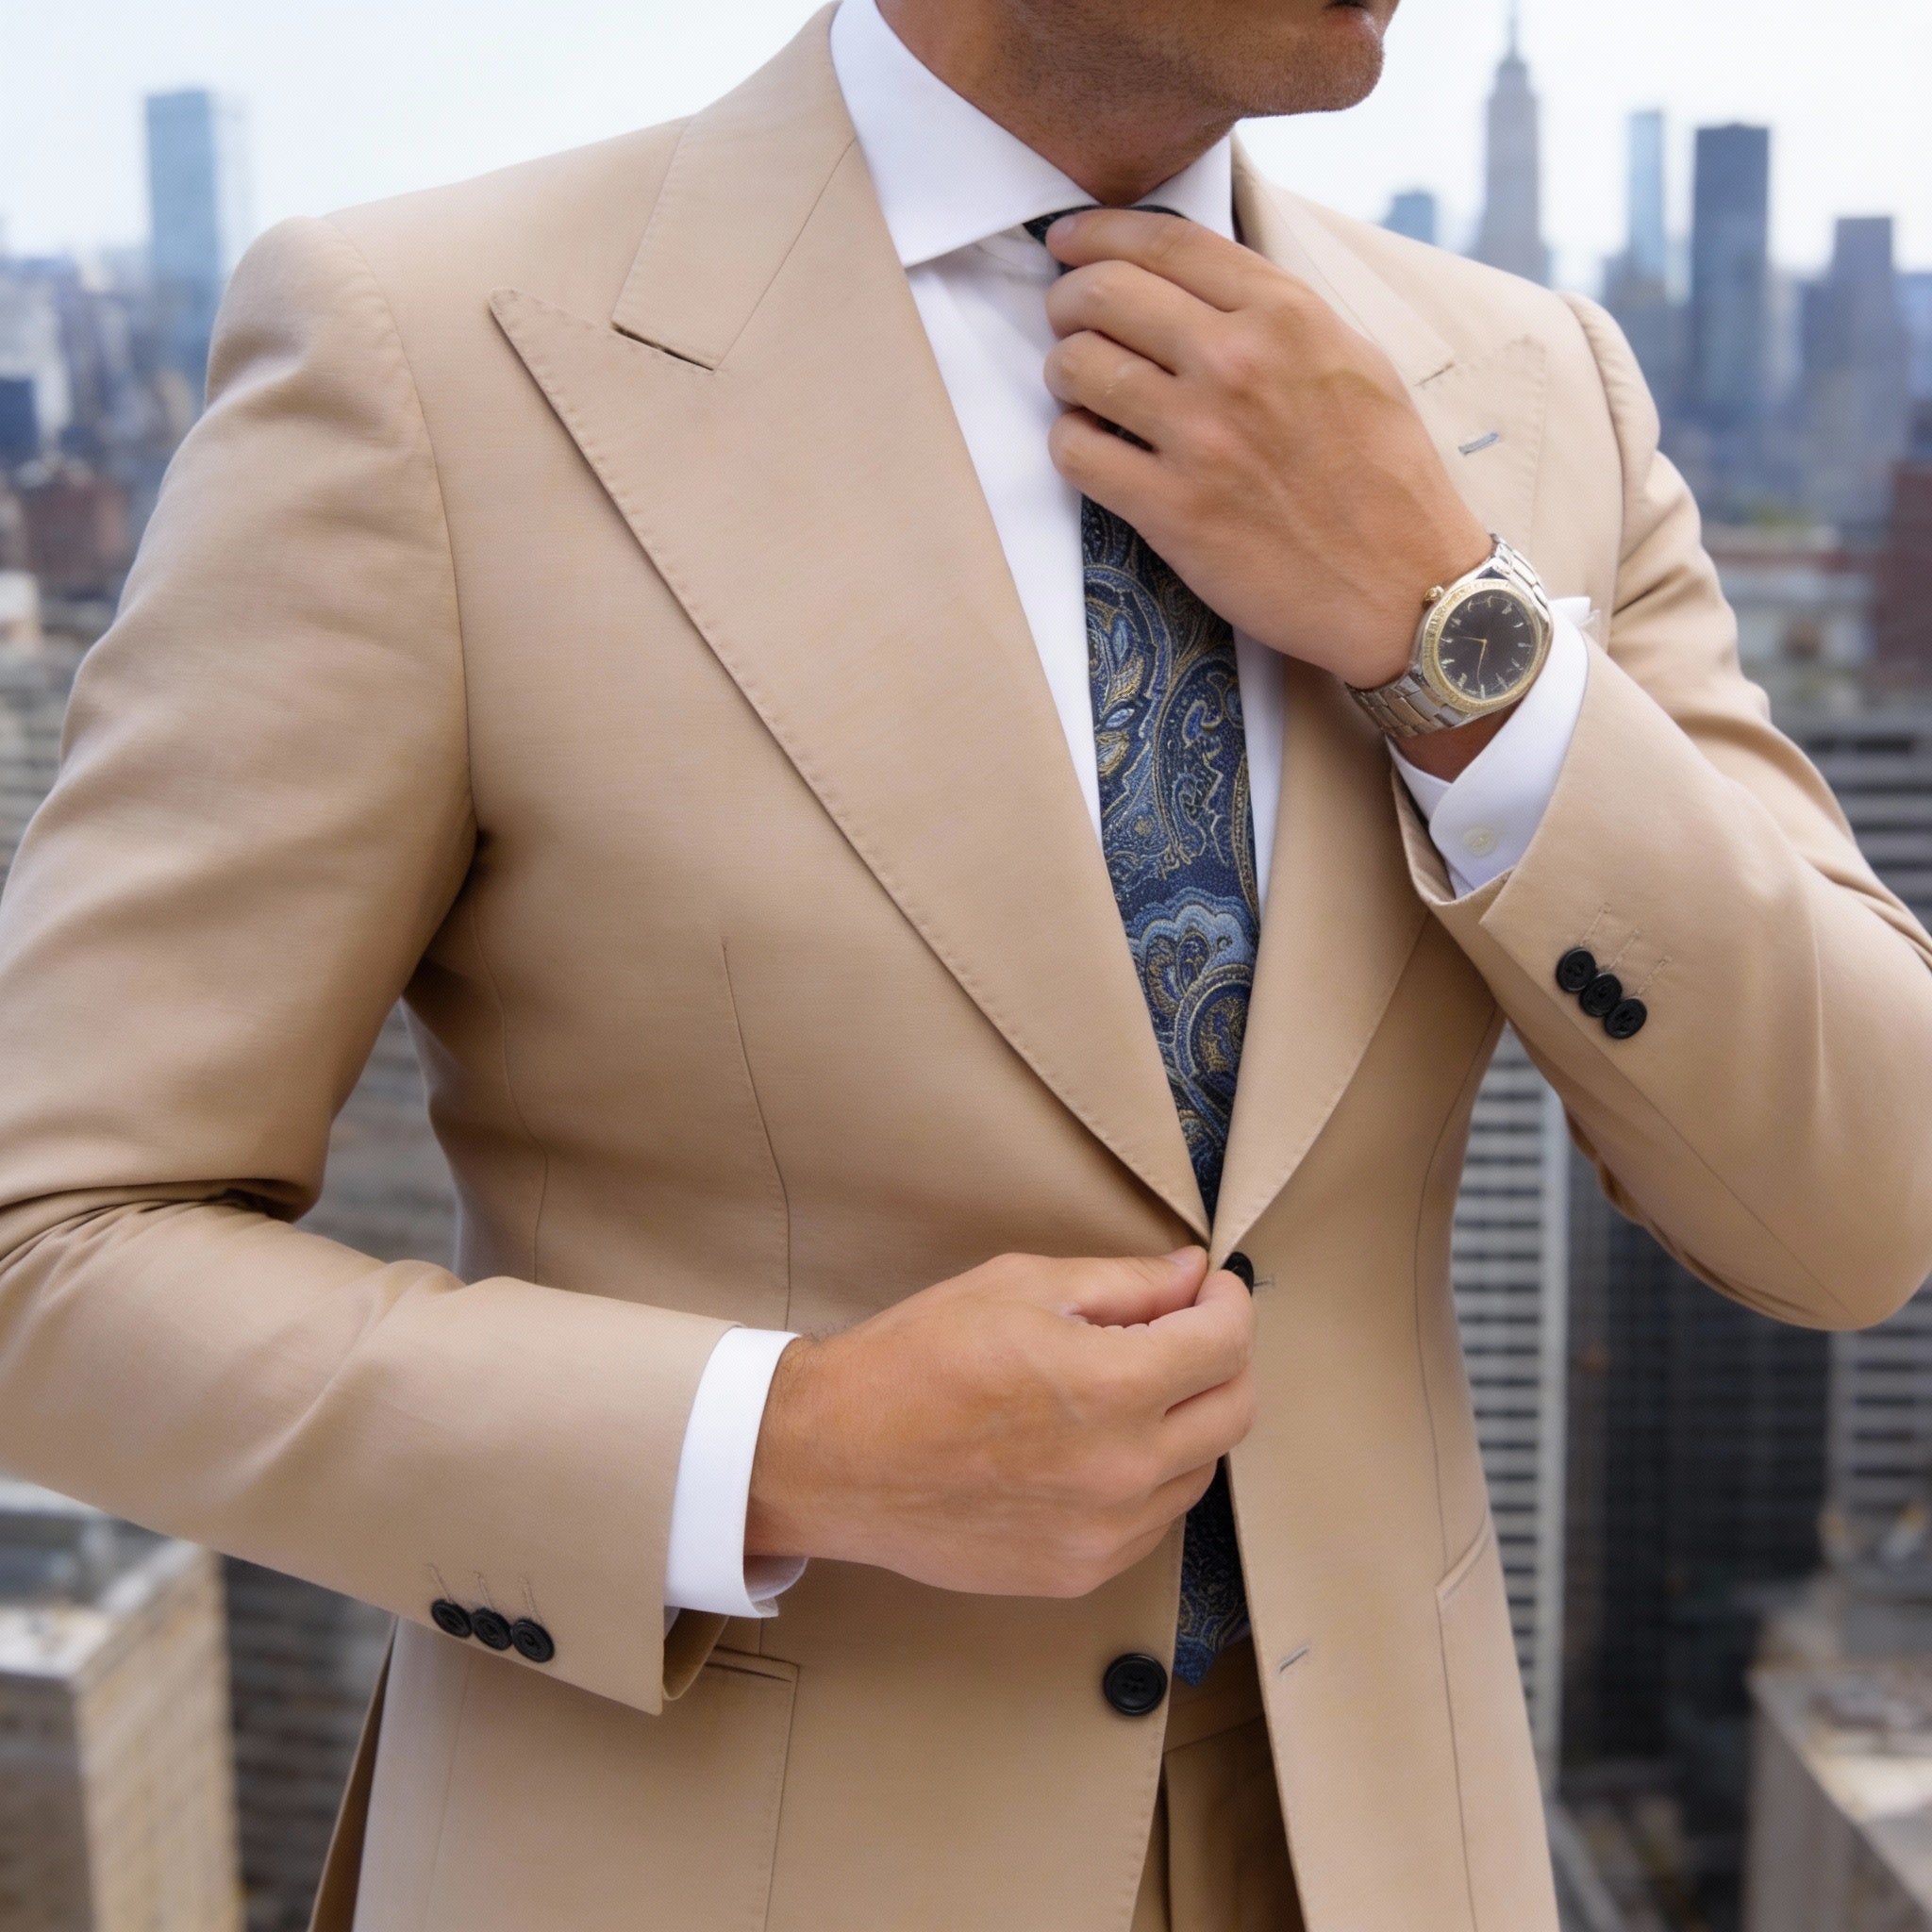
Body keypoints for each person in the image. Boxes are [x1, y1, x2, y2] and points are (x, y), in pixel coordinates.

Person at [1, 0, 1929, 1925]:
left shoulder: (1532, 385)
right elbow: (48, 1244)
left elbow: (1864, 1203)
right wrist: (779, 1448)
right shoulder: (426, 351)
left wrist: (1449, 633)